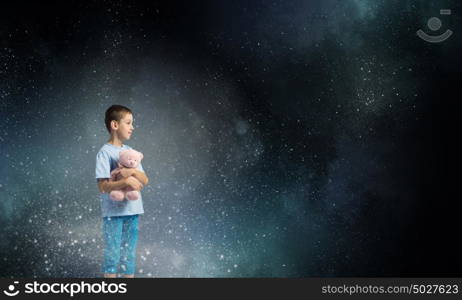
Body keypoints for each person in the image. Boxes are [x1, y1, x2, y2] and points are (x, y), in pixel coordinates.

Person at [95, 105, 149, 278]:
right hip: (113, 213)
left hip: (133, 211)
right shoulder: (105, 153)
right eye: (128, 123)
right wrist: (125, 181)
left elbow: (145, 180)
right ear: (115, 125)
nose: (132, 127)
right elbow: (103, 186)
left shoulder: (130, 152)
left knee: (129, 254)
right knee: (112, 254)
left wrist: (132, 172)